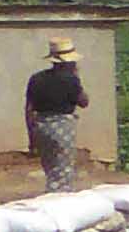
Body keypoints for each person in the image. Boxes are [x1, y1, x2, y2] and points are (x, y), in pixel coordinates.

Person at [22, 39, 90, 190]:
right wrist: (77, 79)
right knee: (63, 171)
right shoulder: (70, 80)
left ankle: (53, 197)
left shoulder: (36, 79)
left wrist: (31, 137)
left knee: (50, 168)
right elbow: (84, 102)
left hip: (41, 126)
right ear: (69, 62)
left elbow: (28, 109)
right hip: (62, 127)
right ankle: (58, 201)